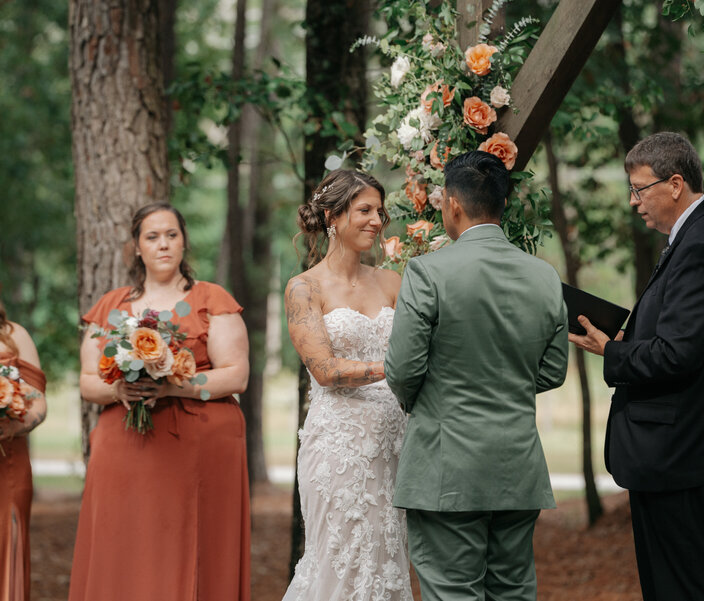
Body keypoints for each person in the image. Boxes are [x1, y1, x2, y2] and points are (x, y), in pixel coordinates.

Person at [569, 132, 704, 601]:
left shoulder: (702, 244)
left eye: (639, 189)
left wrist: (609, 350)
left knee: (687, 588)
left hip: (683, 453)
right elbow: (685, 336)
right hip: (677, 453)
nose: (633, 202)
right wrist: (632, 338)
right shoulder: (694, 234)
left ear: (674, 184)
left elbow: (678, 354)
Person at [385, 150, 569, 601]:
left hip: (447, 466)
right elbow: (553, 370)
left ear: (451, 203)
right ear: (503, 205)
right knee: (512, 592)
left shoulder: (428, 272)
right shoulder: (545, 277)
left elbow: (404, 369)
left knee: (452, 592)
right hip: (517, 465)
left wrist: (432, 400)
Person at [68, 203, 251, 601]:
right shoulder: (112, 306)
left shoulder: (211, 298)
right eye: (152, 237)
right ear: (137, 247)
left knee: (192, 542)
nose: (163, 244)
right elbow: (87, 381)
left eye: (171, 234)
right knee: (126, 546)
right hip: (126, 450)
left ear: (184, 240)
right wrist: (119, 390)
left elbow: (236, 375)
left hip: (199, 448)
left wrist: (172, 387)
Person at [282, 169, 412, 601]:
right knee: (343, 559)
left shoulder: (393, 282)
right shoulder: (304, 288)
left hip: (395, 445)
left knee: (387, 559)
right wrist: (394, 367)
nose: (377, 220)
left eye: (380, 210)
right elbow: (324, 369)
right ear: (332, 216)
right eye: (364, 210)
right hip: (339, 447)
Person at [0, 298, 47, 601]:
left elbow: (39, 402)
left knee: (7, 549)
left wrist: (15, 426)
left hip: (8, 465)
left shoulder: (14, 334)